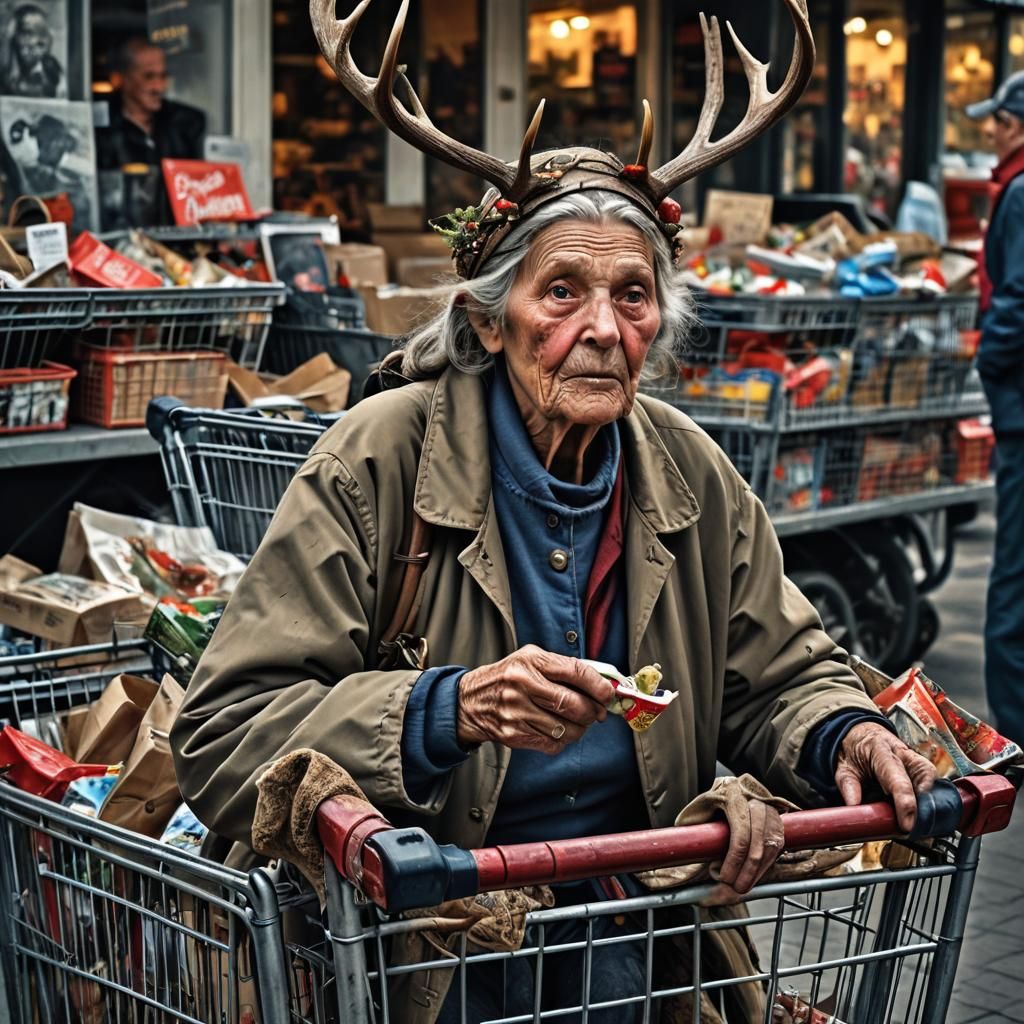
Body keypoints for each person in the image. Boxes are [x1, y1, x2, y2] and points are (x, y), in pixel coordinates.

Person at [171, 2, 936, 1020]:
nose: (601, 329)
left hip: (631, 933)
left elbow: (779, 672)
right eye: (562, 291)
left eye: (631, 295)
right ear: (488, 319)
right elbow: (223, 734)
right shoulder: (382, 455)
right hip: (422, 947)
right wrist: (446, 711)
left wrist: (839, 731)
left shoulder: (690, 474)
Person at [967, 72, 1024, 745]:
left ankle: (1014, 733)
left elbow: (1017, 299)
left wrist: (988, 360)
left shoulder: (1018, 192)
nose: (991, 129)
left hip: (1019, 413)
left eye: (1001, 120)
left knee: (1011, 584)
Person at [94, 36, 205, 229]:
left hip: (176, 243)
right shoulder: (101, 130)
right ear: (120, 79)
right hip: (120, 241)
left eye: (163, 76)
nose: (159, 87)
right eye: (149, 77)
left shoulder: (185, 124)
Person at [0, 3, 65, 98]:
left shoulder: (53, 69)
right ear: (15, 37)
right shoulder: (5, 74)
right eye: (28, 33)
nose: (36, 41)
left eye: (42, 33)